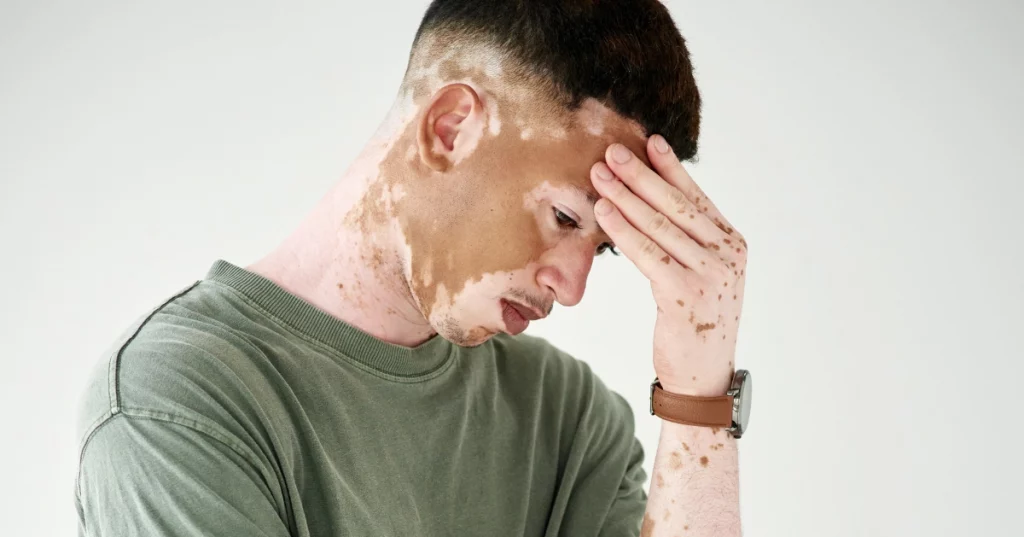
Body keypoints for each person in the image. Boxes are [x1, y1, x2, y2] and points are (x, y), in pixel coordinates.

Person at [74, 1, 750, 535]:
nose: (572, 288)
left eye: (602, 249)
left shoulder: (568, 420)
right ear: (450, 129)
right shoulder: (181, 402)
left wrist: (698, 390)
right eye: (566, 218)